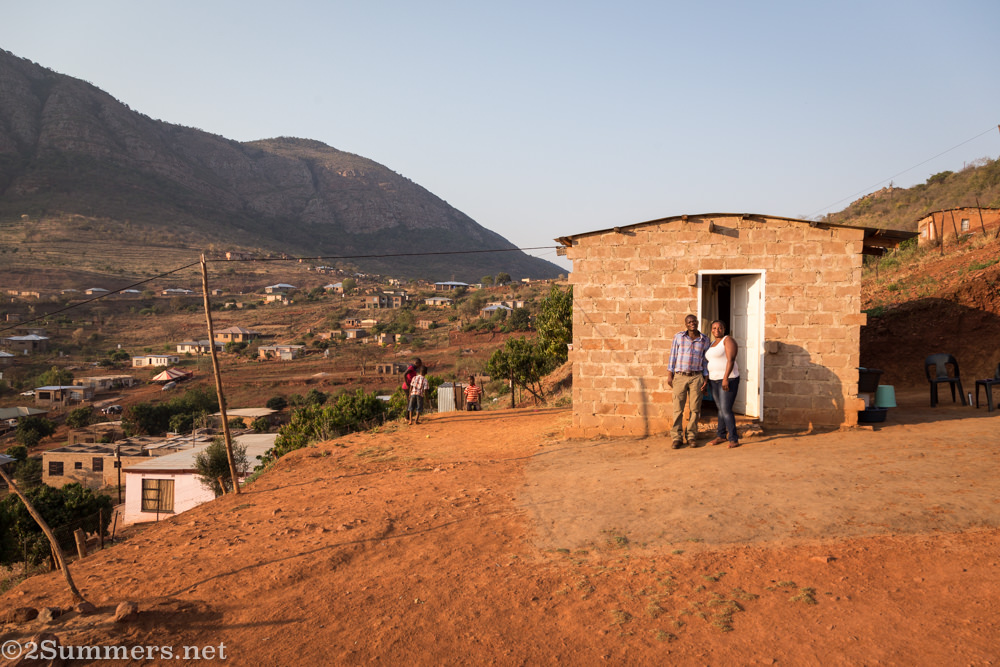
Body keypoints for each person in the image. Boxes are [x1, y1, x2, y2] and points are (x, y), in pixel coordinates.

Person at [666, 314, 710, 449]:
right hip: (680, 376)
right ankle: (677, 437)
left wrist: (705, 378)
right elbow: (673, 356)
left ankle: (691, 436)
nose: (692, 323)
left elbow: (705, 360)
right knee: (677, 409)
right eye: (689, 322)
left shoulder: (704, 339)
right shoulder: (679, 337)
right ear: (686, 324)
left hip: (697, 377)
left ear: (697, 322)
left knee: (695, 409)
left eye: (694, 321)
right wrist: (670, 374)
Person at [705, 320, 741, 449]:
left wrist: (725, 378)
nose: (717, 330)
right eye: (714, 328)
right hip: (713, 380)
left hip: (728, 379)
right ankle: (720, 436)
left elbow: (730, 360)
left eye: (720, 327)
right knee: (720, 409)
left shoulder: (727, 340)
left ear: (724, 329)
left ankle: (733, 438)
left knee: (726, 409)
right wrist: (706, 381)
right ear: (711, 330)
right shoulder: (711, 344)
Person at [403, 358, 422, 422]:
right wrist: (407, 384)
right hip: (407, 387)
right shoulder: (411, 368)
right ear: (417, 363)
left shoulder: (414, 368)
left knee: (411, 402)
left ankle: (408, 417)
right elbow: (404, 374)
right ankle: (407, 417)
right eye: (419, 364)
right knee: (410, 402)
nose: (420, 366)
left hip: (410, 387)